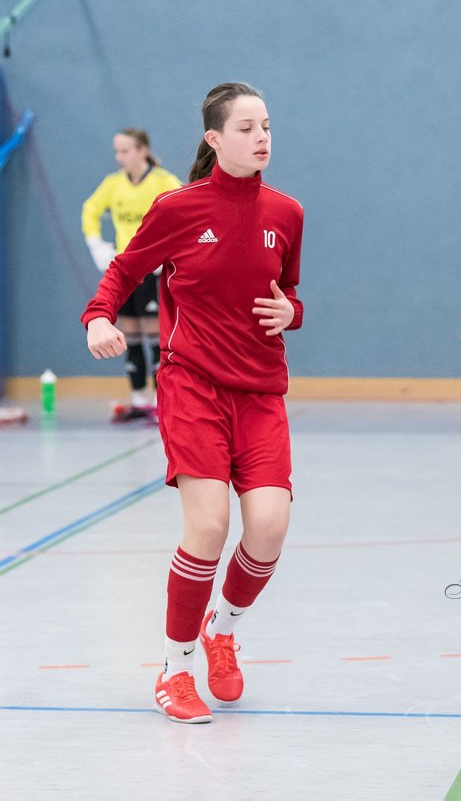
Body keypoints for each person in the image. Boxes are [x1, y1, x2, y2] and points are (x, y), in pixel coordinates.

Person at [81, 82, 304, 724]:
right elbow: (125, 271)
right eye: (246, 127)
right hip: (192, 386)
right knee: (207, 529)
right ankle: (175, 671)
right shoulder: (177, 208)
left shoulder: (286, 213)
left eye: (266, 124)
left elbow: (289, 294)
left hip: (261, 392)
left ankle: (222, 627)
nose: (262, 137)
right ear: (214, 139)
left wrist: (292, 311)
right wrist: (99, 316)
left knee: (267, 530)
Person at [81, 128, 182, 420]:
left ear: (142, 150)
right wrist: (97, 244)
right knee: (130, 336)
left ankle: (163, 400)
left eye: (125, 151)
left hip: (154, 271)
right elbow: (90, 210)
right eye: (117, 151)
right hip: (127, 270)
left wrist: (169, 253)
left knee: (156, 336)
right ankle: (139, 399)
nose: (119, 157)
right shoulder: (113, 184)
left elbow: (184, 213)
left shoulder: (163, 182)